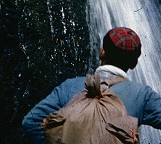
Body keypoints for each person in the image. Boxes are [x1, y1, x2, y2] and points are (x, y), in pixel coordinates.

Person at [22, 26, 161, 142]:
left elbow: (30, 122)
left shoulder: (70, 86)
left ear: (102, 52)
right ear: (134, 63)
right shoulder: (142, 95)